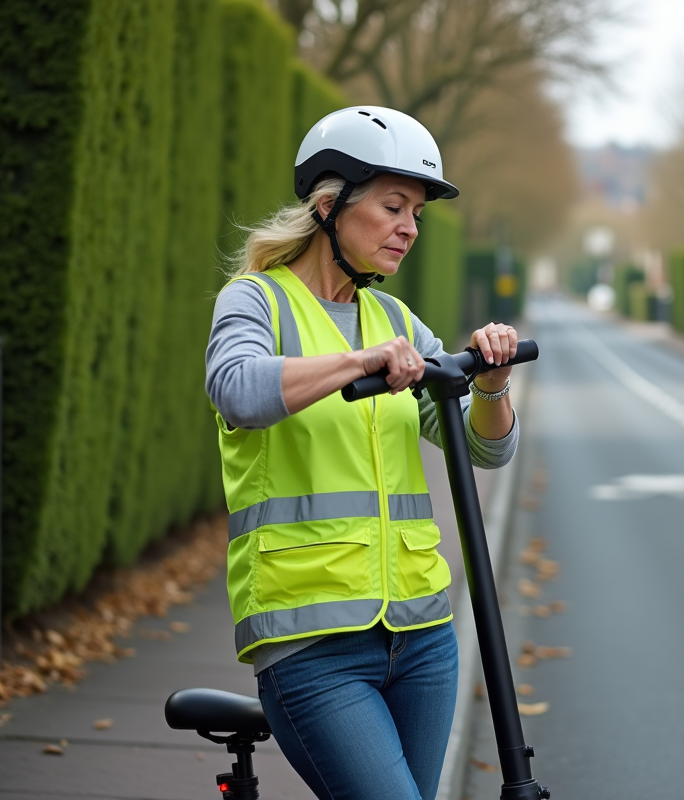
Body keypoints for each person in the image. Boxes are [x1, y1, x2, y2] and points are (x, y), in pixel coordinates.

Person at [205, 106, 519, 800]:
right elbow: (236, 390)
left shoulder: (398, 321)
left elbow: (481, 449)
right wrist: (356, 362)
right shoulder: (256, 302)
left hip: (423, 634)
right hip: (312, 643)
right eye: (393, 206)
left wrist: (491, 385)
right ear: (328, 205)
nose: (409, 227)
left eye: (416, 213)